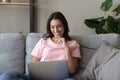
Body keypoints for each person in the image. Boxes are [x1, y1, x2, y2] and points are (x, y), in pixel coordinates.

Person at [0, 11, 81, 80]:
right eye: (52, 27)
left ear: (65, 26)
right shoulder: (43, 41)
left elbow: (72, 70)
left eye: (59, 26)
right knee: (7, 76)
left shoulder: (73, 44)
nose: (56, 30)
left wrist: (66, 47)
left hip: (60, 78)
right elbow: (34, 64)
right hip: (39, 78)